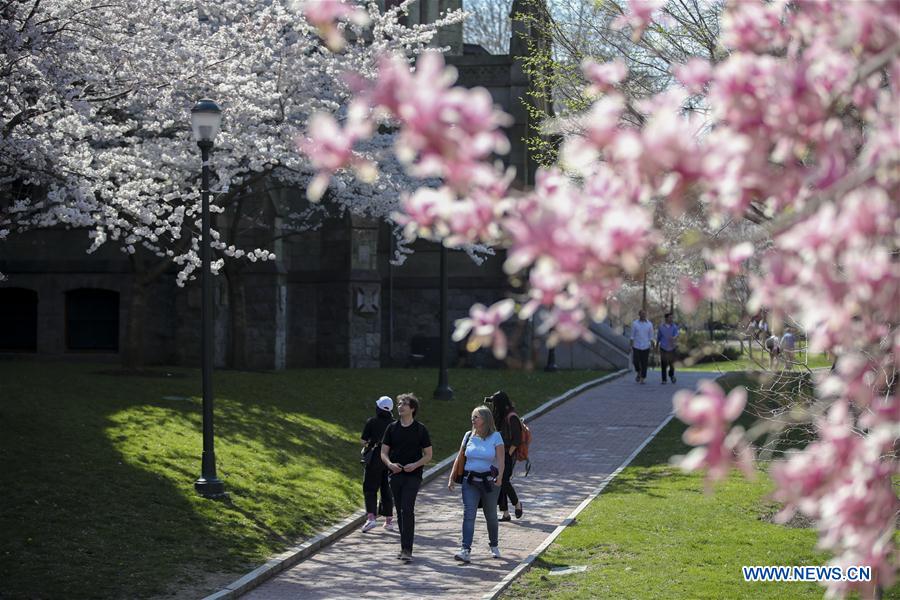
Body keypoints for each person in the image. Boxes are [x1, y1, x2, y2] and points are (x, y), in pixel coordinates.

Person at [448, 405, 504, 563]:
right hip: (470, 481)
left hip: (489, 483)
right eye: (472, 416)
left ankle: (494, 545)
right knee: (469, 515)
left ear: (485, 420)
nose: (473, 419)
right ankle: (465, 550)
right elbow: (459, 458)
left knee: (491, 515)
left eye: (476, 417)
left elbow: (501, 460)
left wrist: (500, 476)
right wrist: (452, 477)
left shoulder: (496, 437)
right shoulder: (468, 436)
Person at [380, 393, 433, 563]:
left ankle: (407, 549)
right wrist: (390, 465)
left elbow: (428, 455)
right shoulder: (391, 428)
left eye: (404, 404)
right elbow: (383, 452)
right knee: (400, 510)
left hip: (413, 475)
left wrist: (415, 465)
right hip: (395, 475)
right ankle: (404, 546)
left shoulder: (420, 429)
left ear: (412, 408)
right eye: (399, 404)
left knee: (407, 509)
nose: (400, 406)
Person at [360, 395, 395, 533]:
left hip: (375, 457)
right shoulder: (394, 424)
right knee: (387, 488)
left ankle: (371, 518)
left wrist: (370, 443)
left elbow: (363, 441)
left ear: (378, 408)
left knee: (370, 487)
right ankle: (388, 520)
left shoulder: (372, 422)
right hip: (390, 459)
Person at [487, 390, 523, 522]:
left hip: (509, 453)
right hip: (501, 452)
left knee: (504, 480)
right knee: (499, 481)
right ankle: (505, 513)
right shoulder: (501, 415)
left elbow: (517, 439)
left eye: (495, 404)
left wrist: (508, 454)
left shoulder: (511, 417)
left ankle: (517, 504)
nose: (493, 407)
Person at [630, 309, 654, 384]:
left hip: (646, 346)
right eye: (642, 314)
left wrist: (652, 346)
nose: (643, 315)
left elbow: (651, 336)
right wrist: (630, 346)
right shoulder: (634, 323)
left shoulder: (649, 324)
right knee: (635, 361)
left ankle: (642, 378)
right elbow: (632, 336)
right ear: (639, 315)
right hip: (636, 346)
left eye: (645, 314)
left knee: (644, 363)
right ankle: (638, 371)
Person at [657, 312, 680, 384]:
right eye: (670, 317)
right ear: (666, 318)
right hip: (663, 347)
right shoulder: (661, 327)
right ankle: (664, 379)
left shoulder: (674, 326)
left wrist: (674, 338)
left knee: (671, 364)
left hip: (672, 348)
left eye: (672, 317)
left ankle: (671, 375)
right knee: (663, 364)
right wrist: (656, 345)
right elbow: (658, 337)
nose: (671, 319)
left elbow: (676, 334)